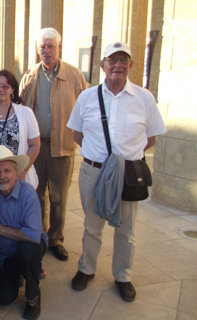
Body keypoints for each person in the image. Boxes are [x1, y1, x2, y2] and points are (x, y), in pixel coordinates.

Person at [67, 42, 166, 302]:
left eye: (124, 60)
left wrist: (125, 159)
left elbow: (151, 138)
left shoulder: (144, 98)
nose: (118, 66)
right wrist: (101, 159)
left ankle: (123, 275)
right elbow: (77, 134)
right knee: (92, 225)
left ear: (131, 65)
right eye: (112, 60)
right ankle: (86, 269)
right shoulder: (86, 97)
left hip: (128, 174)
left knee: (127, 229)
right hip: (93, 172)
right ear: (103, 65)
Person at [19, 27, 87, 261]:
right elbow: (20, 108)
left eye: (50, 46)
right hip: (35, 148)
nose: (46, 51)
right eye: (42, 47)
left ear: (59, 48)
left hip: (63, 146)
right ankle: (39, 235)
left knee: (59, 197)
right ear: (38, 51)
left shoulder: (75, 75)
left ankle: (56, 239)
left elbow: (85, 110)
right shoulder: (30, 75)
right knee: (36, 194)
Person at [0, 146, 47, 320]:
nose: (3, 177)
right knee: (3, 298)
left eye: (7, 171)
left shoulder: (28, 194)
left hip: (29, 244)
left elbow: (33, 235)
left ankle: (33, 296)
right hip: (6, 252)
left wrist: (0, 228)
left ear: (16, 172)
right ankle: (21, 272)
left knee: (28, 253)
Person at [0, 70, 40, 188]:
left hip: (19, 177)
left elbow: (35, 145)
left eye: (5, 86)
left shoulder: (26, 113)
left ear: (12, 90)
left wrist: (23, 171)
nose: (1, 90)